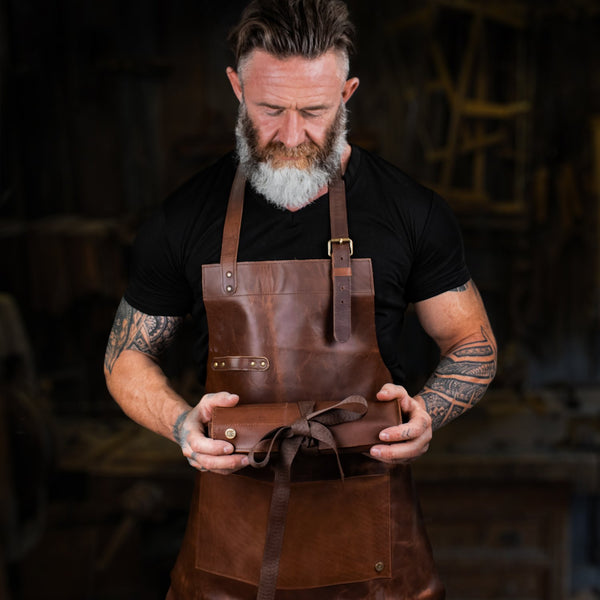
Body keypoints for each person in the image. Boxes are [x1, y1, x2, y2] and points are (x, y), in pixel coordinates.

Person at [104, 1, 497, 598]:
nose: (291, 135)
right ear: (236, 87)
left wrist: (428, 413)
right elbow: (124, 359)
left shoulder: (411, 212)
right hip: (231, 534)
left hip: (372, 537)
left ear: (348, 92)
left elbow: (472, 345)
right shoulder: (184, 218)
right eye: (269, 110)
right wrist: (182, 424)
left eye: (314, 111)